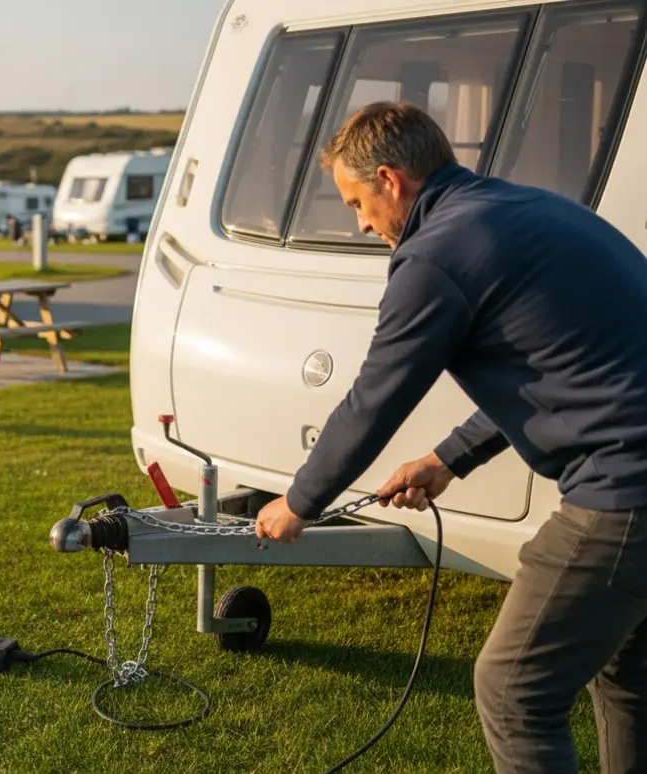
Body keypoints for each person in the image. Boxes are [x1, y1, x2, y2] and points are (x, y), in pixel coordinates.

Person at [252, 101, 647, 773]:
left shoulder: (435, 253)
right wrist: (446, 459)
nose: (362, 223)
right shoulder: (524, 210)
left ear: (390, 179)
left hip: (625, 490)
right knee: (626, 676)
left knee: (514, 690)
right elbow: (560, 369)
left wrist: (299, 502)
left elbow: (376, 397)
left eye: (357, 204)